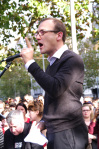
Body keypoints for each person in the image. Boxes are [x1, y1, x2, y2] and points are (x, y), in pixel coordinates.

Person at [21, 17, 88, 149]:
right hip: (56, 132)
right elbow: (57, 100)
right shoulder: (52, 64)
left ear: (59, 35)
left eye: (42, 32)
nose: (37, 37)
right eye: (37, 33)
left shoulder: (72, 59)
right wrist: (44, 122)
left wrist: (30, 63)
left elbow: (56, 88)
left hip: (69, 133)